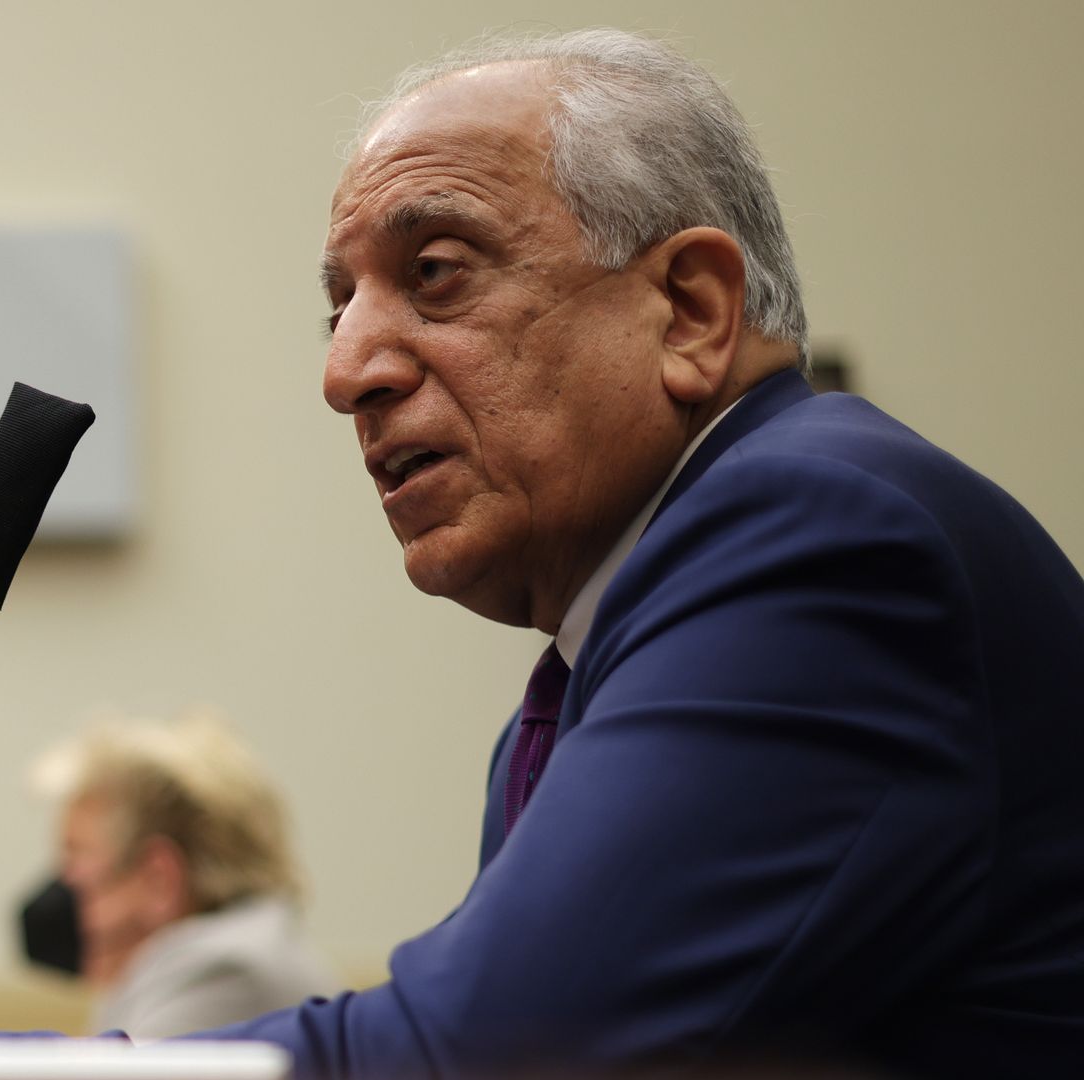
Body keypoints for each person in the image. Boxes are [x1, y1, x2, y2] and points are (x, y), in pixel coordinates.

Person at [169, 28, 1084, 1077]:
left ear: (690, 312)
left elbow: (490, 1052)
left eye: (435, 273)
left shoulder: (820, 539)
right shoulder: (578, 675)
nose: (346, 372)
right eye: (340, 310)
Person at [17, 714, 336, 1038]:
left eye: (77, 860)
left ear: (158, 880)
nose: (62, 888)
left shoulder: (222, 973)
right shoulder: (244, 949)